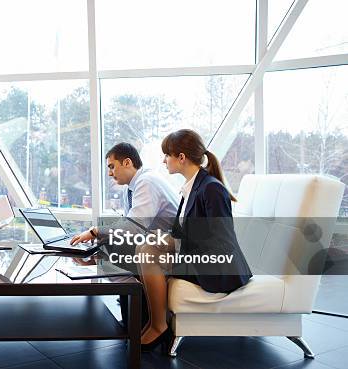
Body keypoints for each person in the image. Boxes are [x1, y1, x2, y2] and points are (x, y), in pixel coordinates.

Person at [137, 129, 252, 350]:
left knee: (148, 253)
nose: (164, 160)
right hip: (199, 256)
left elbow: (221, 241)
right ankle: (155, 322)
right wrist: (166, 239)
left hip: (218, 267)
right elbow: (185, 232)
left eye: (167, 155)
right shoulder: (192, 186)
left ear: (181, 157)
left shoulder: (211, 189)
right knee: (145, 247)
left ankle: (159, 326)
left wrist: (177, 247)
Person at [70, 142, 179, 331]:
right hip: (152, 244)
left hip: (167, 250)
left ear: (127, 162)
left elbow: (135, 227)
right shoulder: (133, 187)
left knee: (108, 251)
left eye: (112, 166)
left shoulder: (146, 182)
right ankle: (134, 312)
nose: (110, 173)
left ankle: (139, 313)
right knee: (105, 248)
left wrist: (96, 231)